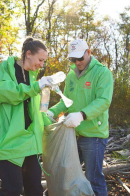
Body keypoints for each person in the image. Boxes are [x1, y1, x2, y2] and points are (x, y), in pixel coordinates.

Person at [46, 39, 113, 196]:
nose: (77, 62)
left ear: (88, 53)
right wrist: (52, 112)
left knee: (93, 178)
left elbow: (104, 101)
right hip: (73, 134)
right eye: (73, 59)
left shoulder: (102, 73)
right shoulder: (71, 75)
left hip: (94, 135)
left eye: (80, 58)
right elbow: (66, 101)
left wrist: (82, 115)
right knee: (65, 172)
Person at [0, 37, 53, 196]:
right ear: (28, 53)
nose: (41, 64)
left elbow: (36, 111)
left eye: (44, 61)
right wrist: (36, 87)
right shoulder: (6, 68)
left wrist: (53, 122)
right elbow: (6, 93)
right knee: (12, 189)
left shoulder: (32, 76)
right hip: (8, 141)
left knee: (35, 190)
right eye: (40, 59)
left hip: (30, 142)